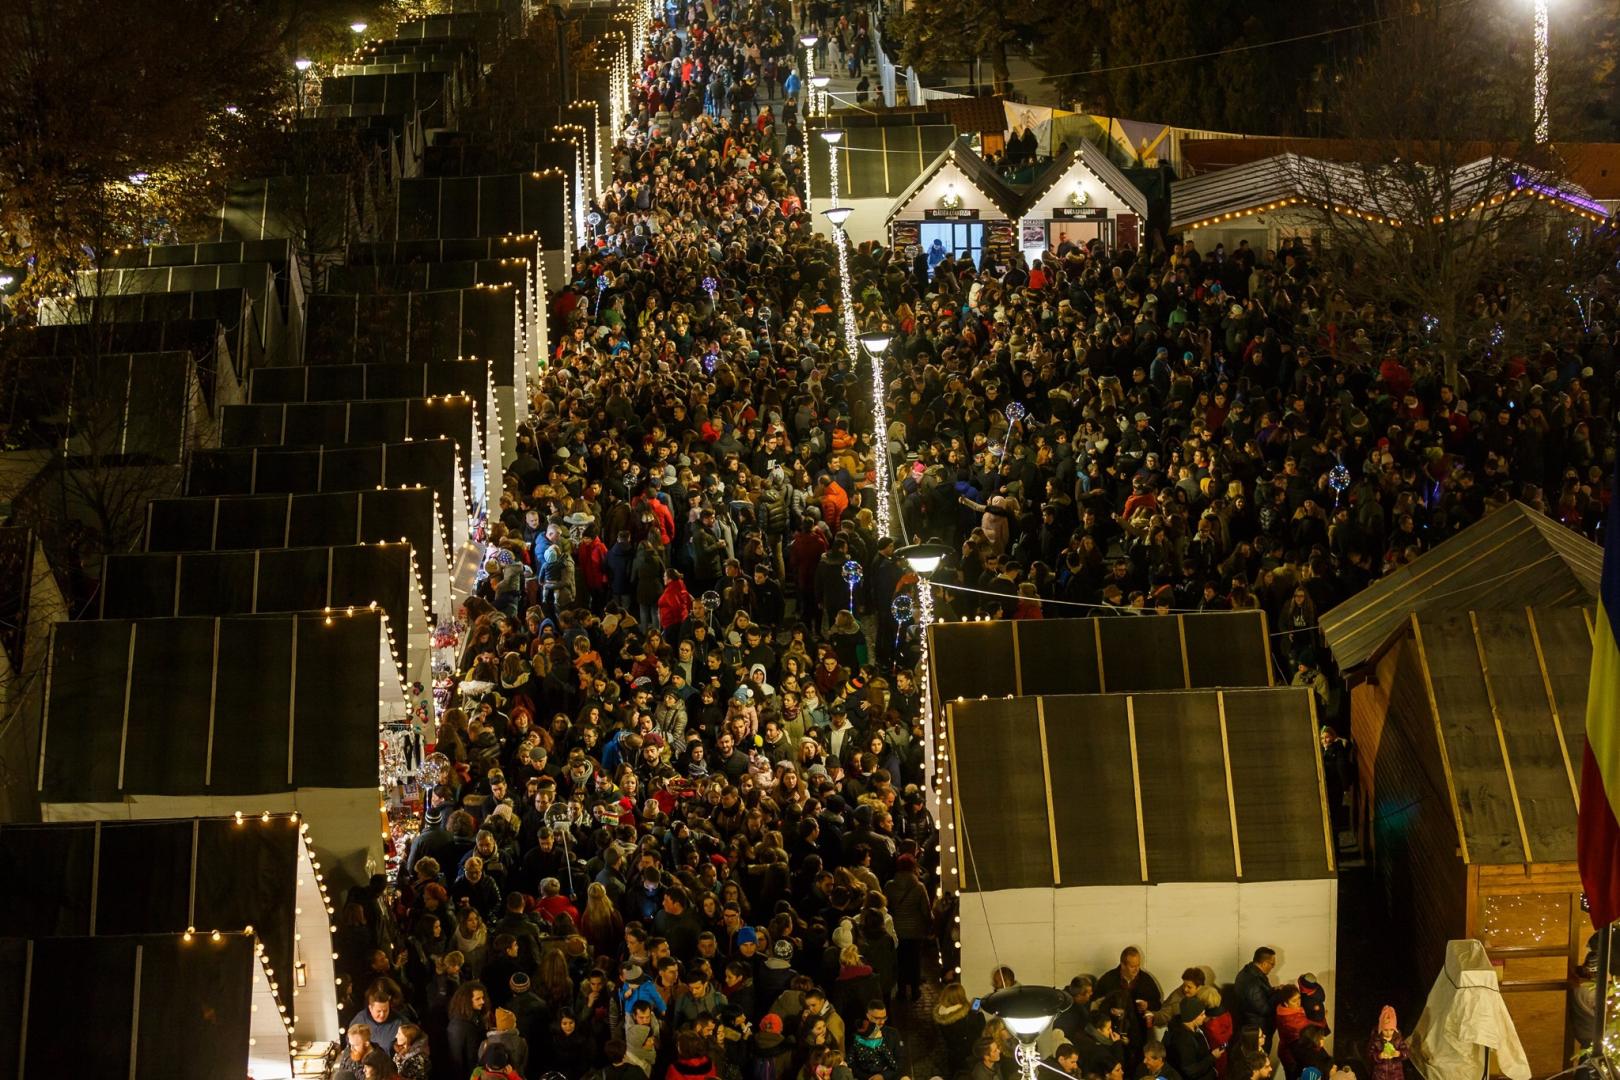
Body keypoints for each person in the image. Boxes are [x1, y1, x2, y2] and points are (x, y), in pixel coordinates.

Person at [847, 1001, 906, 1080]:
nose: (882, 1022)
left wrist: (883, 1076)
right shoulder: (857, 1036)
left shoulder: (893, 1033)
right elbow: (852, 1062)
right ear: (868, 1016)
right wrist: (869, 1078)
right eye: (877, 1018)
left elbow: (900, 1060)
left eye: (884, 1018)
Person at [1164, 999, 1218, 1080]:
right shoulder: (1184, 1041)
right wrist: (1212, 1057)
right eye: (1202, 1014)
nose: (1205, 1017)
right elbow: (1190, 1072)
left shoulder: (1194, 1029)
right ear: (1192, 1016)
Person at [1232, 948, 1276, 1048]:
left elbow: (1260, 994)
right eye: (1272, 964)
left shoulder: (1248, 972)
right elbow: (1264, 1009)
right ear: (1264, 963)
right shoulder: (1253, 981)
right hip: (1257, 1029)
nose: (1273, 967)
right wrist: (1278, 996)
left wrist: (1274, 990)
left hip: (1251, 1026)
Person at [1367, 1007, 1410, 1080]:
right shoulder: (1376, 1040)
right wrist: (1379, 1056)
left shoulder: (1398, 1039)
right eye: (1385, 1030)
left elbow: (1406, 1052)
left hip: (1396, 1075)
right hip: (1380, 1075)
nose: (1388, 1032)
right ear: (1381, 1029)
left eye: (1391, 1030)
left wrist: (1399, 1054)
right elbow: (1370, 1055)